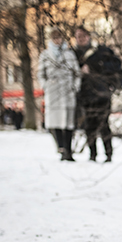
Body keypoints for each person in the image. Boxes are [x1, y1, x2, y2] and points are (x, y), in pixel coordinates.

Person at [73, 27, 122, 163]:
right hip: (85, 95)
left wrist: (112, 85)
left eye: (83, 35)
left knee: (103, 124)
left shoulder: (101, 51)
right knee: (89, 125)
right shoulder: (74, 54)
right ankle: (93, 154)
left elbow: (115, 68)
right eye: (78, 36)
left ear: (89, 36)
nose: (81, 39)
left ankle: (108, 154)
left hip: (102, 94)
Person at [39, 28, 80, 161]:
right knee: (55, 123)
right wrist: (46, 86)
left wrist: (74, 87)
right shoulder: (45, 55)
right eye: (54, 37)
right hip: (53, 92)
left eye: (59, 37)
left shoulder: (69, 54)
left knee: (68, 124)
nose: (57, 40)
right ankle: (61, 149)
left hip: (67, 92)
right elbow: (40, 74)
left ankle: (68, 151)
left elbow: (77, 73)